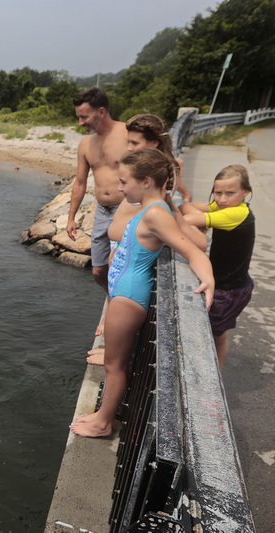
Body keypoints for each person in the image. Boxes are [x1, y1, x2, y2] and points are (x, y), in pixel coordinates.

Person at [70, 149, 214, 438]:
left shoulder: (158, 213)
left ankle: (104, 422)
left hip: (128, 295)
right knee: (114, 359)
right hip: (123, 291)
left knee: (115, 366)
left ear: (146, 181)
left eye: (125, 182)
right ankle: (103, 414)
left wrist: (208, 279)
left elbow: (192, 249)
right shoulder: (150, 209)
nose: (120, 188)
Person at [87, 114, 206, 353]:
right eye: (128, 142)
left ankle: (114, 347)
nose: (128, 148)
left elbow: (196, 244)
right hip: (128, 254)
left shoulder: (148, 195)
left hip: (133, 262)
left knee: (119, 345)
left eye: (134, 143)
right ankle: (112, 336)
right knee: (110, 282)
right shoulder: (145, 188)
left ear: (152, 143)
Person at [179, 164, 255, 370]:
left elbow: (188, 217)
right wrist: (195, 215)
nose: (221, 199)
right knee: (218, 335)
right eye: (217, 192)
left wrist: (197, 220)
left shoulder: (236, 213)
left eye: (230, 193)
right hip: (231, 284)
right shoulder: (227, 207)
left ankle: (211, 377)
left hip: (229, 289)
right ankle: (216, 372)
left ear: (245, 192)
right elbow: (188, 207)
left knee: (211, 336)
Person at [68, 87, 128, 292]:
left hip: (126, 209)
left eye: (84, 117)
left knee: (119, 267)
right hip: (102, 211)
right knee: (98, 271)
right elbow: (80, 183)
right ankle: (112, 297)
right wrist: (71, 217)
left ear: (101, 111)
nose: (80, 122)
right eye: (78, 117)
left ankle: (118, 306)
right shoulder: (85, 144)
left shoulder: (128, 133)